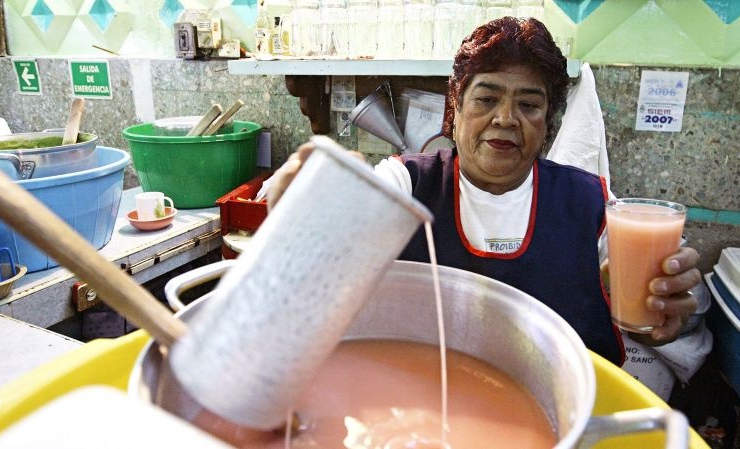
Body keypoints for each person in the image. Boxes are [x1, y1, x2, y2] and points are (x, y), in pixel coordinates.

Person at [268, 16, 701, 366]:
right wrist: (307, 213)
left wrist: (668, 307)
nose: (506, 118)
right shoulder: (406, 185)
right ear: (454, 109)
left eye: (529, 105)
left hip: (566, 413)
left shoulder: (591, 206)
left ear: (548, 122)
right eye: (486, 99)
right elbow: (346, 218)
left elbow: (656, 304)